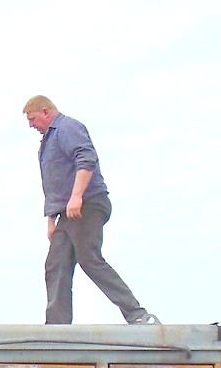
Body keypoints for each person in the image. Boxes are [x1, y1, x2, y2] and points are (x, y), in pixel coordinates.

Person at [24, 95, 158, 326]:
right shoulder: (47, 142)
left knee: (89, 259)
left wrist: (77, 196)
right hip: (67, 213)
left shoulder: (67, 128)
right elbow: (54, 184)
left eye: (32, 119)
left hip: (87, 204)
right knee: (56, 264)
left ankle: (137, 314)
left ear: (46, 112)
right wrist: (51, 221)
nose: (31, 125)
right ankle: (57, 328)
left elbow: (86, 159)